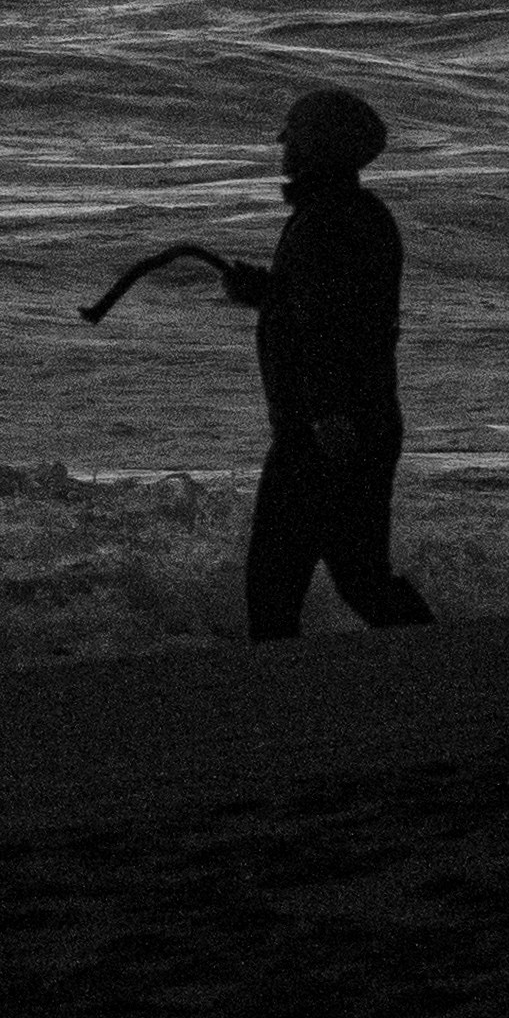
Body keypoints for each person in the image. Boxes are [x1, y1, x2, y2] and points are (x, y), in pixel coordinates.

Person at [217, 85, 441, 639]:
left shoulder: (328, 222)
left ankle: (280, 702)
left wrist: (324, 413)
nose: (284, 149)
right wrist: (267, 294)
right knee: (360, 575)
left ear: (316, 149)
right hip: (355, 420)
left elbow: (331, 331)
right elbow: (331, 311)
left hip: (324, 430)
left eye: (292, 139)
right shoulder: (351, 214)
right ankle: (442, 662)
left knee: (276, 583)